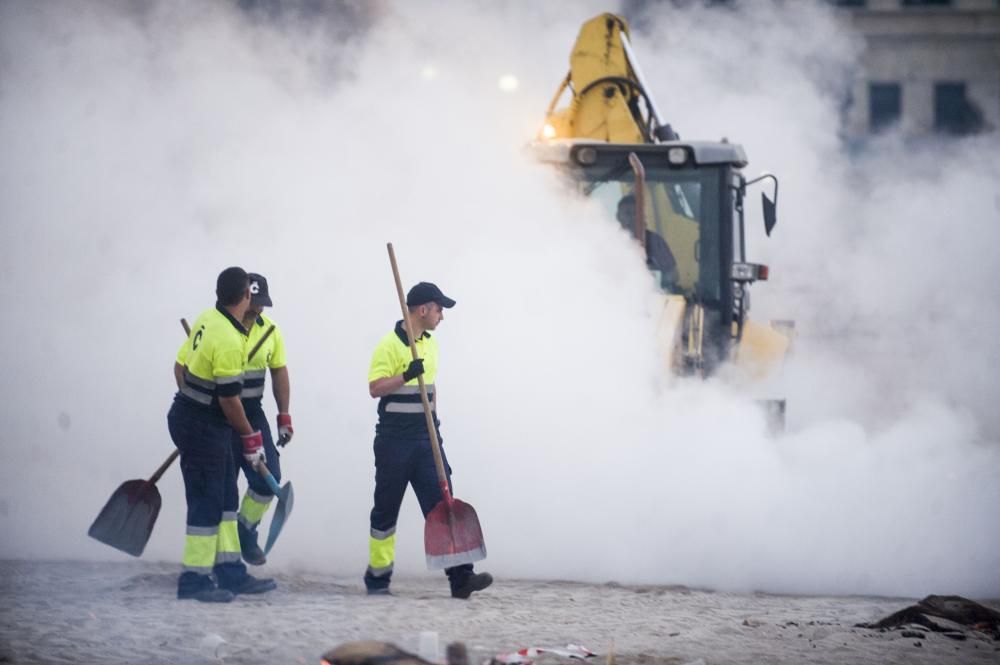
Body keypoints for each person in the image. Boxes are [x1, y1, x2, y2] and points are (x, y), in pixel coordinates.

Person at [363, 281, 493, 599]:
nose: (442, 317)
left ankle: (461, 578)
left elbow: (431, 390)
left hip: (426, 439)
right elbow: (375, 388)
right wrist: (406, 375)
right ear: (423, 310)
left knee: (443, 504)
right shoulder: (389, 346)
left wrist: (434, 424)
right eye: (439, 310)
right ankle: (377, 579)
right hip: (394, 441)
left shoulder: (431, 344)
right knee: (386, 510)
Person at [169, 267, 277, 602]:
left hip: (202, 421)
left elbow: (181, 367)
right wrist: (250, 439)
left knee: (228, 500)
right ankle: (194, 581)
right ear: (246, 296)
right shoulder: (230, 340)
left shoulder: (207, 318)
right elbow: (230, 401)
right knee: (206, 503)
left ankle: (231, 573)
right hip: (201, 424)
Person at [230, 272, 293, 565]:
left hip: (252, 411)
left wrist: (284, 415)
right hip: (218, 414)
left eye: (261, 307)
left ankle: (246, 529)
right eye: (252, 306)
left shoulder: (270, 332)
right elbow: (183, 368)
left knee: (269, 480)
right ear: (242, 299)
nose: (256, 312)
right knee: (223, 485)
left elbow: (279, 372)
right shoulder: (219, 328)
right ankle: (222, 556)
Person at [616, 193, 678, 289]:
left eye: (636, 213)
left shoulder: (655, 242)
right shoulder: (610, 242)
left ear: (643, 216)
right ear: (618, 216)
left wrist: (656, 279)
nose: (632, 218)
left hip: (651, 298)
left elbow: (672, 274)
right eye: (627, 213)